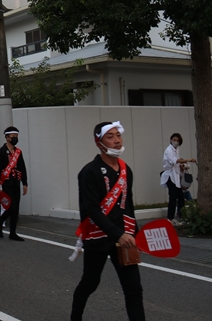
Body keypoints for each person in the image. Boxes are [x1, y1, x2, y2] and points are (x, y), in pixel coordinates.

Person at [71, 121, 144, 320]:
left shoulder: (125, 169)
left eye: (118, 135)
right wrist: (117, 234)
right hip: (97, 237)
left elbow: (128, 206)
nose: (117, 140)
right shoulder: (89, 171)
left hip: (123, 239)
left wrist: (134, 234)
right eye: (110, 137)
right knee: (90, 283)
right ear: (99, 143)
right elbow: (91, 210)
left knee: (134, 289)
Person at [0, 126, 28, 241]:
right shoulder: (1, 152)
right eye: (13, 136)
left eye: (16, 136)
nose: (15, 138)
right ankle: (0, 222)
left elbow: (22, 167)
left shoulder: (18, 152)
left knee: (16, 208)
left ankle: (13, 233)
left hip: (16, 182)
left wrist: (25, 183)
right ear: (7, 137)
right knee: (11, 206)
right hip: (6, 182)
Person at [160, 132, 196, 226]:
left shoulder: (176, 150)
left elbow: (178, 163)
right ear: (171, 140)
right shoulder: (169, 150)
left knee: (180, 198)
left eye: (177, 141)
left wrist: (183, 166)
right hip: (170, 177)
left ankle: (182, 216)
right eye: (174, 140)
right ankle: (170, 219)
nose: (176, 142)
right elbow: (175, 161)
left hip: (176, 177)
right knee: (173, 198)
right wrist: (189, 160)